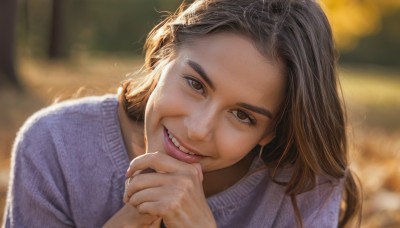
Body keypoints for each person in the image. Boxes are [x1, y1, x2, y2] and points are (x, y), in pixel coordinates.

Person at [3, 0, 362, 227]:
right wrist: (134, 218)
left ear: (272, 131)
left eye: (243, 116)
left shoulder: (303, 188)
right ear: (163, 56)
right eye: (195, 84)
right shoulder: (55, 144)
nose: (198, 129)